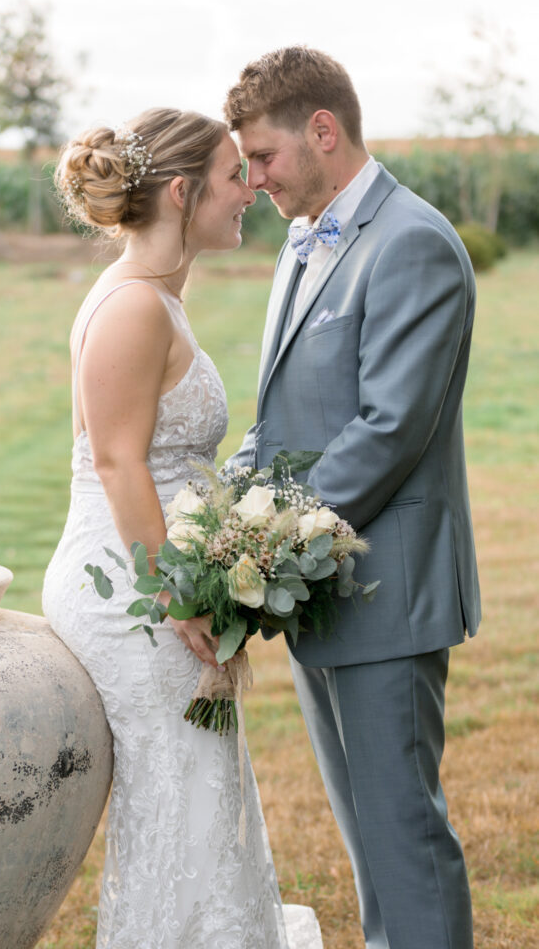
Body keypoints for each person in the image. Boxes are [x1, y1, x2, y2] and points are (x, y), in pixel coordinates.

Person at [42, 108, 322, 949]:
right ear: (180, 192)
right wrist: (179, 599)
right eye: (236, 175)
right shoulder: (133, 307)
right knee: (181, 793)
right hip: (132, 588)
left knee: (201, 791)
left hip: (157, 569)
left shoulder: (159, 295)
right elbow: (119, 465)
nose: (251, 189)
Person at [224, 46, 481, 949]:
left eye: (263, 158)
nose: (253, 181)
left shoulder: (412, 241)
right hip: (321, 587)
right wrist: (229, 505)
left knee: (404, 834)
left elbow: (387, 431)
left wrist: (261, 547)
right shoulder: (309, 240)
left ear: (323, 131)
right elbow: (284, 414)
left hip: (386, 591)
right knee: (367, 837)